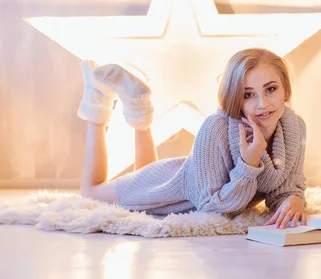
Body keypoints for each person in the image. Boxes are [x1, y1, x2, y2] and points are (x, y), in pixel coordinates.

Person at [77, 47, 307, 229]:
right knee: (91, 191)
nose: (263, 103)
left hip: (183, 176)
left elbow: (286, 187)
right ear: (234, 98)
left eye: (271, 89)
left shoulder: (293, 126)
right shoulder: (215, 128)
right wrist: (248, 164)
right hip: (170, 189)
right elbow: (210, 209)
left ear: (285, 89)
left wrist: (293, 199)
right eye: (248, 94)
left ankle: (138, 107)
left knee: (145, 168)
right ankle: (97, 99)